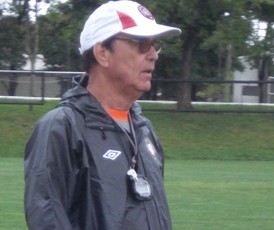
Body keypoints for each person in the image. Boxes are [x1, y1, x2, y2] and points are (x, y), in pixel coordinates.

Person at [24, 1, 181, 229]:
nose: (153, 55)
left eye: (154, 45)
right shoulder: (62, 128)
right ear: (102, 53)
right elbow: (48, 219)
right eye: (141, 44)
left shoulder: (143, 129)